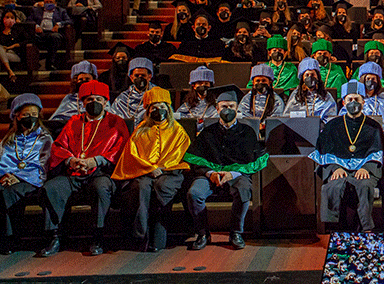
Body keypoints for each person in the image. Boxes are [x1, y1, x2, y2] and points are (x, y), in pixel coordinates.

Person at [38, 81, 129, 257]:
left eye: (97, 99)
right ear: (82, 102)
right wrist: (70, 160)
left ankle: (98, 237)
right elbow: (58, 146)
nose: (93, 102)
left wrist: (97, 160)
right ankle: (55, 236)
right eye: (88, 99)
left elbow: (121, 149)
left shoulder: (115, 122)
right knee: (52, 188)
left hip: (101, 173)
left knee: (100, 188)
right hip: (73, 173)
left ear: (105, 102)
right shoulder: (74, 121)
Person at [184, 85, 268, 250]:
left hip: (237, 175)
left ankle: (236, 232)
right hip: (209, 175)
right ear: (216, 108)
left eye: (231, 106)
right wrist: (210, 173)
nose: (227, 110)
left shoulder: (247, 132)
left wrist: (233, 173)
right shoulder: (207, 133)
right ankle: (202, 233)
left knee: (244, 190)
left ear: (237, 108)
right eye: (224, 106)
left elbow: (256, 159)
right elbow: (194, 158)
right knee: (194, 193)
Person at [111, 87, 191, 252]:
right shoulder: (141, 129)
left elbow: (178, 153)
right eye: (153, 107)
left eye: (161, 106)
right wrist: (149, 168)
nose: (158, 110)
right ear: (147, 110)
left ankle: (158, 238)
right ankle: (140, 235)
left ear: (168, 108)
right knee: (141, 188)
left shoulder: (177, 129)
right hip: (144, 172)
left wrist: (160, 168)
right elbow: (131, 154)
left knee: (161, 188)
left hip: (169, 172)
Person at [0, 94, 52, 254]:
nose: (30, 118)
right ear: (17, 116)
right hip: (5, 177)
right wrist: (3, 175)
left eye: (33, 114)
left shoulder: (44, 138)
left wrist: (18, 176)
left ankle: (9, 240)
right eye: (26, 115)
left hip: (30, 179)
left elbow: (43, 164)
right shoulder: (10, 138)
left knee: (9, 193)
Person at [310, 81, 384, 232]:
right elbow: (325, 150)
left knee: (365, 185)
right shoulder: (332, 125)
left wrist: (367, 168)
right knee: (333, 186)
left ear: (363, 102)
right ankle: (335, 228)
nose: (353, 103)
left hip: (364, 169)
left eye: (356, 100)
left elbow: (377, 150)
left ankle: (366, 228)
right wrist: (334, 168)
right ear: (344, 102)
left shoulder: (374, 126)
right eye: (350, 100)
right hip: (340, 169)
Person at [28, 0, 71, 70]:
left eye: (51, 2)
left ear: (55, 3)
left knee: (55, 37)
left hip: (53, 33)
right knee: (29, 37)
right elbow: (29, 20)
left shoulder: (61, 11)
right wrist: (36, 26)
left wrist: (59, 24)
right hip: (40, 33)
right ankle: (34, 63)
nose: (48, 4)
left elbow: (69, 21)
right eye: (46, 2)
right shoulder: (36, 10)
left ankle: (50, 63)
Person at [112, 57, 155, 123]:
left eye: (143, 76)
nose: (140, 78)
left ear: (149, 77)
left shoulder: (158, 95)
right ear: (131, 77)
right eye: (137, 76)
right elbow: (114, 118)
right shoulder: (123, 98)